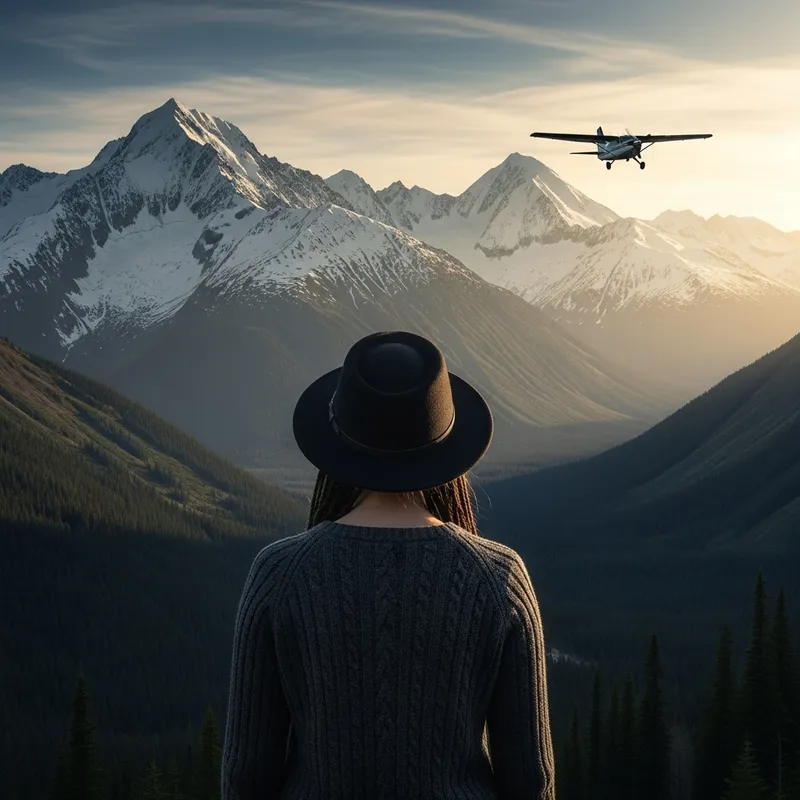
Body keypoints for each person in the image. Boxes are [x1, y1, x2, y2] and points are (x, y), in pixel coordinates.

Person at [221, 330, 556, 799]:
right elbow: (531, 779)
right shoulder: (498, 577)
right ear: (448, 446)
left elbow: (247, 775)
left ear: (336, 444)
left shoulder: (279, 573)